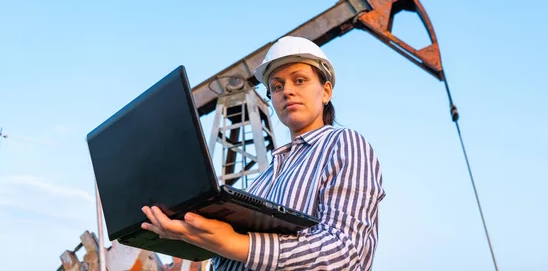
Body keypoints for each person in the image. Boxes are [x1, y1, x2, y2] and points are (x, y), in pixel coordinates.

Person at [141, 36, 385, 270]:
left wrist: (235, 244)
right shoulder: (261, 184)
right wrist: (191, 232)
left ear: (326, 91)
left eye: (299, 80)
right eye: (277, 86)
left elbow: (347, 253)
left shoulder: (343, 144)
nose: (287, 91)